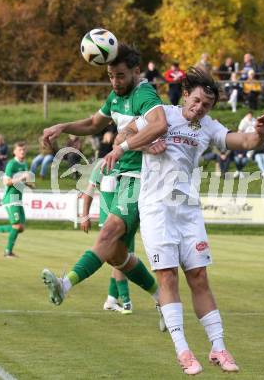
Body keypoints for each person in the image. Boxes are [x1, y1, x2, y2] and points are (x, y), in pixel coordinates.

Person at [103, 67, 264, 375]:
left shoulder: (208, 126)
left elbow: (245, 142)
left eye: (205, 105)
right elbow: (123, 134)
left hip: (188, 211)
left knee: (199, 278)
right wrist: (144, 143)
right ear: (185, 95)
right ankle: (183, 352)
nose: (198, 108)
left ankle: (218, 347)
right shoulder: (162, 114)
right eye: (195, 102)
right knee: (167, 277)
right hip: (156, 209)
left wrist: (261, 134)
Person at [40, 43, 167, 331]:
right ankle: (162, 297)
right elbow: (93, 123)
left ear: (136, 71)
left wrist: (122, 147)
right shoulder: (115, 96)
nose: (115, 82)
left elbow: (159, 123)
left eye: (120, 75)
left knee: (108, 234)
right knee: (115, 254)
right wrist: (62, 126)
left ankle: (65, 284)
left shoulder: (144, 93)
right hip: (118, 176)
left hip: (140, 177)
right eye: (110, 76)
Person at [80, 159, 133, 314]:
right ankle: (126, 299)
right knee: (122, 259)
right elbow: (89, 190)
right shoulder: (104, 164)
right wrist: (84, 215)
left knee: (122, 258)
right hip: (111, 221)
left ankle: (111, 300)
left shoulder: (133, 164)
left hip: (126, 219)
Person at [0, 142, 33, 257]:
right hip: (11, 198)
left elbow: (24, 181)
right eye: (20, 150)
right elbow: (7, 182)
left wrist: (30, 183)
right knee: (16, 226)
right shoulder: (11, 164)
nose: (22, 151)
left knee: (20, 228)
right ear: (14, 152)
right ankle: (8, 252)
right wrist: (21, 177)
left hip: (18, 199)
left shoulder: (25, 164)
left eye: (24, 149)